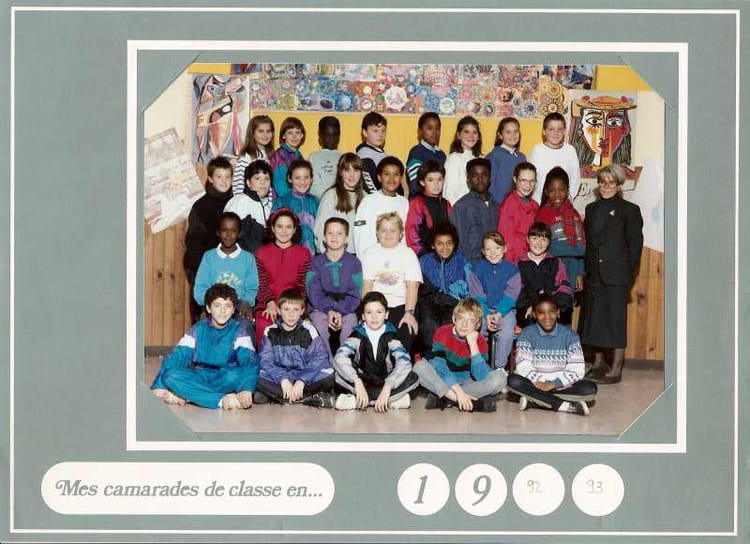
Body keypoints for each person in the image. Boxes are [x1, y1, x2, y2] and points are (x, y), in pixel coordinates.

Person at [580, 164, 643, 384]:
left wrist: (627, 274)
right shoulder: (591, 209)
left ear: (619, 185)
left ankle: (615, 370)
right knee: (596, 320)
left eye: (611, 182)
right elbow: (589, 244)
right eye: (602, 182)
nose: (606, 186)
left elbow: (635, 246)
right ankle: (598, 364)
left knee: (616, 322)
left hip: (617, 276)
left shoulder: (630, 210)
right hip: (595, 275)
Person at [151, 284, 258, 410]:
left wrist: (246, 389)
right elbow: (178, 356)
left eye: (228, 306)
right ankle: (221, 400)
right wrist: (159, 385)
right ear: (208, 308)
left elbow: (249, 361)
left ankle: (188, 395)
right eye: (217, 306)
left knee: (237, 375)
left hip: (225, 377)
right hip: (200, 375)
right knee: (170, 375)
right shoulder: (197, 329)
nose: (223, 311)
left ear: (233, 310)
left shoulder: (239, 330)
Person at [508, 295, 597, 416]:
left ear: (558, 313)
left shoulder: (570, 336)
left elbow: (577, 368)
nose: (547, 317)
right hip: (536, 383)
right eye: (541, 313)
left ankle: (534, 400)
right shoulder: (526, 335)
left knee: (589, 388)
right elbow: (524, 366)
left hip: (561, 385)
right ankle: (563, 405)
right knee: (513, 381)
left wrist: (553, 384)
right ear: (534, 315)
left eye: (552, 312)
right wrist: (542, 382)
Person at [413, 298, 506, 413]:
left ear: (477, 325)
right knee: (419, 367)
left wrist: (473, 345)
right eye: (461, 318)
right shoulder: (443, 332)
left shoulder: (480, 340)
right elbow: (440, 367)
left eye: (471, 321)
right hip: (444, 379)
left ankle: (445, 398)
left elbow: (480, 376)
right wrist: (459, 394)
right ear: (454, 318)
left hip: (467, 383)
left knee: (500, 379)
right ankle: (458, 399)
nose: (464, 324)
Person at [333, 291, 419, 412]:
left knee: (412, 376)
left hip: (385, 382)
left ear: (386, 314)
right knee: (337, 373)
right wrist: (356, 380)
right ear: (363, 316)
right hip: (362, 382)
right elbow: (340, 357)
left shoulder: (391, 337)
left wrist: (388, 385)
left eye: (379, 312)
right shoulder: (357, 335)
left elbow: (404, 361)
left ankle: (358, 401)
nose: (374, 317)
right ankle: (389, 400)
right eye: (369, 312)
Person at [256, 289, 335, 407]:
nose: (291, 314)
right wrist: (283, 379)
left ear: (302, 311)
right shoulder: (270, 331)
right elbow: (265, 361)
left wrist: (302, 380)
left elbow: (320, 358)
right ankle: (307, 398)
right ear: (279, 310)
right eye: (286, 309)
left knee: (330, 374)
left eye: (296, 310)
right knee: (256, 375)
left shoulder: (309, 330)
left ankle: (282, 397)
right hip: (280, 378)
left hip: (304, 377)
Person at [417, 222, 485, 357]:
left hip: (454, 303)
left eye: (449, 243)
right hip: (429, 302)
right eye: (440, 244)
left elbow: (472, 286)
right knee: (428, 325)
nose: (445, 248)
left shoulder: (461, 261)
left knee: (451, 327)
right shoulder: (424, 261)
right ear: (432, 245)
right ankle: (431, 360)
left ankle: (449, 360)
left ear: (454, 244)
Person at [361, 212, 422, 352]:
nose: (388, 234)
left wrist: (409, 313)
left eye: (393, 230)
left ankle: (403, 363)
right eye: (384, 230)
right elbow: (366, 286)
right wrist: (366, 312)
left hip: (402, 306)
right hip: (376, 306)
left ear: (400, 234)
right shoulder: (369, 254)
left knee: (405, 334)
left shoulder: (408, 254)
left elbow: (413, 286)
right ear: (377, 233)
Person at [183, 156, 234, 323]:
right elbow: (194, 243)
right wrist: (203, 273)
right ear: (211, 178)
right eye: (219, 176)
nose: (224, 181)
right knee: (204, 317)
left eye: (227, 176)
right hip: (203, 268)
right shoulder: (201, 206)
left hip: (230, 269)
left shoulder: (236, 203)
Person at [253, 208, 312, 346]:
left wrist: (292, 306)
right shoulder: (261, 253)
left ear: (294, 229)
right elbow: (261, 283)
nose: (284, 231)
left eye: (288, 227)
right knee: (265, 323)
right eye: (279, 226)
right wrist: (269, 302)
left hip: (294, 303)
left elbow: (303, 285)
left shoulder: (304, 254)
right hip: (268, 303)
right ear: (272, 228)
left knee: (297, 326)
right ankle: (265, 357)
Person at [307, 218, 363, 359]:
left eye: (339, 233)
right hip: (320, 307)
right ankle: (328, 362)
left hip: (347, 308)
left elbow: (356, 294)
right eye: (330, 233)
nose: (334, 237)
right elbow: (313, 292)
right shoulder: (316, 262)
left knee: (350, 326)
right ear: (324, 237)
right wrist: (329, 309)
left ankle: (344, 361)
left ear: (346, 238)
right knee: (319, 326)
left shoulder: (354, 263)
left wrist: (340, 310)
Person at [193, 212, 258, 322]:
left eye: (233, 231)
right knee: (204, 326)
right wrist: (208, 304)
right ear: (218, 233)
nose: (228, 234)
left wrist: (246, 302)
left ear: (240, 234)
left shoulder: (248, 258)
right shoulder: (209, 257)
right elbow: (200, 287)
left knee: (245, 325)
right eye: (224, 230)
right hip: (214, 304)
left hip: (239, 305)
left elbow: (252, 287)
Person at [473, 232, 521, 370]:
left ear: (505, 249)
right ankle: (479, 364)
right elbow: (477, 295)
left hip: (505, 310)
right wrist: (487, 314)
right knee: (476, 328)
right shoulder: (476, 269)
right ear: (483, 251)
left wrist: (499, 313)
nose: (493, 252)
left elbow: (511, 295)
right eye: (488, 249)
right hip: (482, 309)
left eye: (497, 248)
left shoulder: (512, 270)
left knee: (507, 331)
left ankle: (499, 367)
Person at [535, 166, 586, 294]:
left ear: (567, 190)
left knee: (567, 302)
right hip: (552, 267)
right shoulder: (543, 215)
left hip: (573, 267)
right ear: (546, 191)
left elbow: (581, 246)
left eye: (562, 190)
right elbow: (538, 247)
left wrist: (579, 273)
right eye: (552, 191)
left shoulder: (574, 214)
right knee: (551, 303)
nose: (557, 195)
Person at [516, 222, 573, 327]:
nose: (539, 243)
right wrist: (532, 306)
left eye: (544, 239)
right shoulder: (519, 264)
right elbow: (517, 292)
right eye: (534, 238)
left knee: (562, 312)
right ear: (527, 239)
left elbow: (564, 288)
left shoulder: (556, 262)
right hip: (528, 310)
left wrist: (551, 306)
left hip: (553, 307)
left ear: (549, 242)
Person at [352, 156, 409, 258]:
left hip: (398, 259)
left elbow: (405, 236)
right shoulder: (368, 202)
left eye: (396, 174)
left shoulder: (404, 202)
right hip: (375, 259)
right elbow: (361, 237)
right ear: (379, 177)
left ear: (401, 178)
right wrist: (365, 261)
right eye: (387, 174)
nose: (391, 179)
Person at [313, 153, 365, 254]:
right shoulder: (331, 196)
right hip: (335, 255)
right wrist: (327, 256)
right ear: (340, 172)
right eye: (347, 170)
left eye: (356, 170)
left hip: (358, 256)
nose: (352, 175)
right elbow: (320, 229)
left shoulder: (366, 198)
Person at [450, 158, 499, 262]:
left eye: (484, 175)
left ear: (490, 177)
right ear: (468, 179)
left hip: (494, 263)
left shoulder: (496, 206)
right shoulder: (461, 207)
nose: (480, 179)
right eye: (475, 175)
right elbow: (458, 245)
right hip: (471, 265)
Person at [529, 112, 580, 203]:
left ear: (564, 131)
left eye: (559, 129)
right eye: (551, 129)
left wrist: (567, 201)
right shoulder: (537, 150)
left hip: (563, 204)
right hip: (539, 204)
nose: (556, 133)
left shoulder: (570, 150)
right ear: (544, 131)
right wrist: (537, 202)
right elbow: (531, 178)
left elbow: (575, 179)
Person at [224, 160, 274, 253]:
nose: (263, 182)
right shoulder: (239, 202)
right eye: (257, 178)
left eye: (266, 178)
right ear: (248, 182)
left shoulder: (270, 206)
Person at [405, 160, 452, 256]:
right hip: (424, 255)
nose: (436, 184)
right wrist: (422, 255)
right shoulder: (417, 203)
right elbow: (412, 234)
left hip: (445, 253)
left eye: (439, 179)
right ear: (422, 182)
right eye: (430, 180)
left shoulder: (446, 204)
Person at [272, 158, 319, 255]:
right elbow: (273, 230)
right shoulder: (281, 202)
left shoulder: (316, 202)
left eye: (306, 177)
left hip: (313, 255)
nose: (302, 182)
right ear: (290, 179)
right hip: (287, 254)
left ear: (311, 179)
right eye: (297, 178)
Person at [498, 161, 539, 264]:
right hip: (516, 260)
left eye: (532, 181)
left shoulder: (535, 205)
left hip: (531, 258)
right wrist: (510, 266)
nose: (528, 185)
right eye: (523, 180)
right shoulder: (510, 204)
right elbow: (506, 239)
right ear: (515, 179)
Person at [442, 116, 483, 205]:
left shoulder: (481, 159)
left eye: (474, 132)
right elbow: (449, 192)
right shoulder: (454, 159)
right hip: (460, 209)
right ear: (459, 135)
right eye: (466, 132)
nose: (471, 136)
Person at [485, 117, 526, 204]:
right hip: (499, 205)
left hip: (519, 205)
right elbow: (489, 186)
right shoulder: (494, 156)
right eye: (508, 132)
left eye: (516, 131)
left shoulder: (521, 157)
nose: (513, 135)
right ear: (500, 135)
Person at [405, 112, 446, 197]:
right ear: (420, 131)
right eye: (429, 128)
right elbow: (414, 185)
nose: (434, 132)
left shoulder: (442, 155)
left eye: (437, 128)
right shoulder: (416, 152)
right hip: (420, 201)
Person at [232, 114, 274, 195]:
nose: (265, 135)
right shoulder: (246, 157)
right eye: (261, 131)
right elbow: (239, 187)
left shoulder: (271, 156)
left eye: (268, 131)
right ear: (252, 133)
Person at [269, 117, 305, 199]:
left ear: (302, 135)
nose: (294, 136)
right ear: (284, 136)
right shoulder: (279, 156)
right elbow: (280, 184)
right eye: (290, 133)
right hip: (284, 202)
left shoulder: (299, 155)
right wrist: (292, 201)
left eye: (297, 132)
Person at [308, 116, 342, 199]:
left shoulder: (342, 157)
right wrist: (327, 199)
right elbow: (314, 184)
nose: (331, 138)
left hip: (340, 200)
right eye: (327, 135)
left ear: (339, 136)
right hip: (319, 201)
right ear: (320, 136)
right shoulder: (313, 157)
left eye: (334, 134)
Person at [356, 112, 388, 194]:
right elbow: (370, 187)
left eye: (383, 131)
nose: (380, 134)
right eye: (375, 131)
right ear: (365, 133)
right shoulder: (364, 154)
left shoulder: (381, 152)